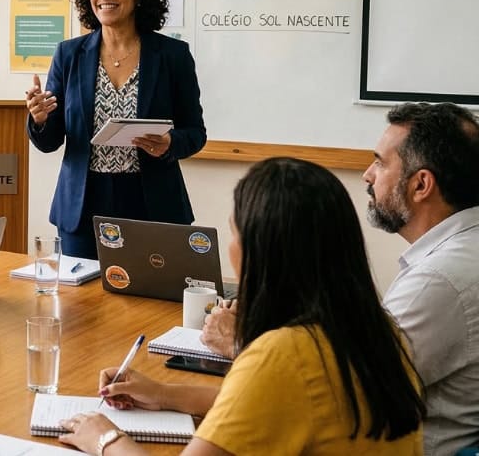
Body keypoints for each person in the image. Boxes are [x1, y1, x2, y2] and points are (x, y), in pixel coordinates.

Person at [57, 157, 425, 455]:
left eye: (233, 232)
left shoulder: (282, 354)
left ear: (260, 251)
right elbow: (267, 403)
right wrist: (163, 394)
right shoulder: (379, 331)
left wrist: (104, 439)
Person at [200, 102, 479, 455]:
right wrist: (166, 394)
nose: (367, 174)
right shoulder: (463, 249)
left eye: (380, 161)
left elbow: (335, 391)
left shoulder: (437, 282)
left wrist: (238, 343)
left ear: (421, 184)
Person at [25, 0, 206, 258]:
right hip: (83, 206)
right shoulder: (69, 55)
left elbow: (195, 132)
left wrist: (169, 143)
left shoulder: (172, 56)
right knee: (80, 306)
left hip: (152, 204)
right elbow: (50, 141)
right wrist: (40, 119)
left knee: (152, 304)